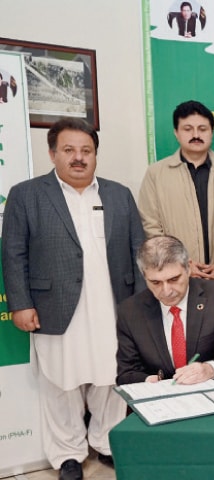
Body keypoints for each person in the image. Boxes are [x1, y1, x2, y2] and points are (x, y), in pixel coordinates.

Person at [1, 118, 145, 480]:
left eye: (86, 151)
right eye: (69, 150)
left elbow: (138, 249)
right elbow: (13, 253)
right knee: (59, 381)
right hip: (54, 306)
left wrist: (143, 304)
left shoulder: (118, 194)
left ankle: (108, 443)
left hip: (113, 304)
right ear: (52, 153)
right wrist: (19, 303)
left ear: (96, 154)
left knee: (110, 376)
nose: (78, 158)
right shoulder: (26, 194)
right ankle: (67, 454)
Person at [116, 235, 214, 385]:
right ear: (144, 276)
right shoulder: (130, 311)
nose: (166, 291)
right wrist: (148, 381)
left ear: (188, 267)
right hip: (164, 402)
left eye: (173, 279)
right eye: (155, 282)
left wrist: (210, 369)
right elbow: (126, 374)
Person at [138, 100, 214, 281]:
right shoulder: (156, 174)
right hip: (174, 277)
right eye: (187, 129)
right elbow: (151, 227)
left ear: (212, 133)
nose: (196, 135)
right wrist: (182, 264)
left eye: (202, 129)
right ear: (176, 133)